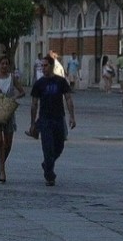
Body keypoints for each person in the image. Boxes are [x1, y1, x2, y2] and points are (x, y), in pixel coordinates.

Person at [29, 53, 75, 187]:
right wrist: (33, 123)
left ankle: (47, 163)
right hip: (45, 119)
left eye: (45, 65)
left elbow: (68, 98)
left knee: (59, 146)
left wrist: (72, 116)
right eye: (41, 66)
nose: (43, 68)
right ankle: (49, 175)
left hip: (59, 117)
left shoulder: (60, 81)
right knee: (48, 147)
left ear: (52, 66)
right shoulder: (39, 84)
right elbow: (34, 104)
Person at [0, 55, 26, 182]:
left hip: (9, 112)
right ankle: (2, 169)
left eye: (6, 63)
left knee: (8, 143)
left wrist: (15, 98)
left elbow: (22, 92)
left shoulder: (13, 78)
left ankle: (1, 162)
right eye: (2, 63)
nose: (4, 66)